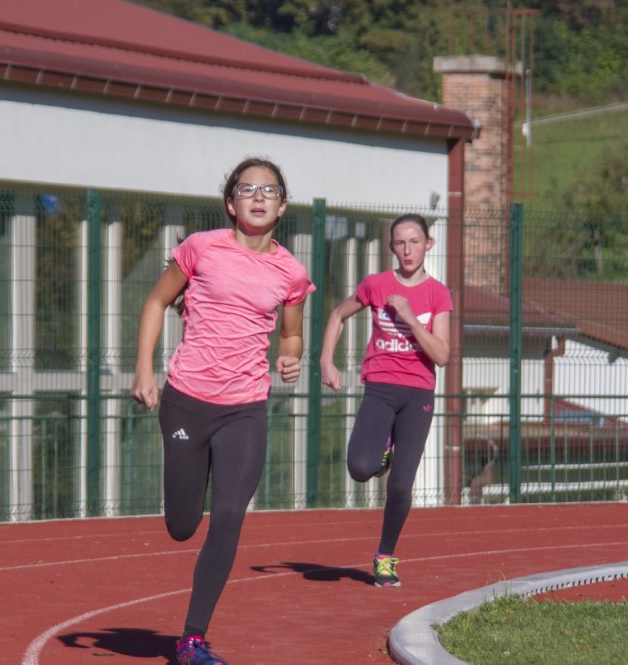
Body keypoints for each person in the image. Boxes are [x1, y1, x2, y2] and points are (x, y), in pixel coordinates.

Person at [131, 157, 315, 665]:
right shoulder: (201, 248)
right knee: (183, 526)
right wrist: (143, 371)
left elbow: (292, 332)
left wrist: (291, 356)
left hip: (245, 408)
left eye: (269, 190)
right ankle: (182, 505)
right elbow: (154, 303)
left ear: (282, 205)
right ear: (231, 202)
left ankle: (192, 639)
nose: (258, 196)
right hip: (187, 400)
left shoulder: (291, 272)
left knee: (230, 516)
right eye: (247, 188)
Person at [319, 213, 451, 588]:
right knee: (360, 468)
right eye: (399, 243)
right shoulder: (376, 284)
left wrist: (409, 317)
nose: (407, 250)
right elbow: (337, 315)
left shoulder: (438, 294)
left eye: (414, 242)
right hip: (379, 387)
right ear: (391, 247)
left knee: (399, 487)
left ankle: (385, 556)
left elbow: (442, 355)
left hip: (418, 394)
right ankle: (383, 450)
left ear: (428, 245)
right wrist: (327, 360)